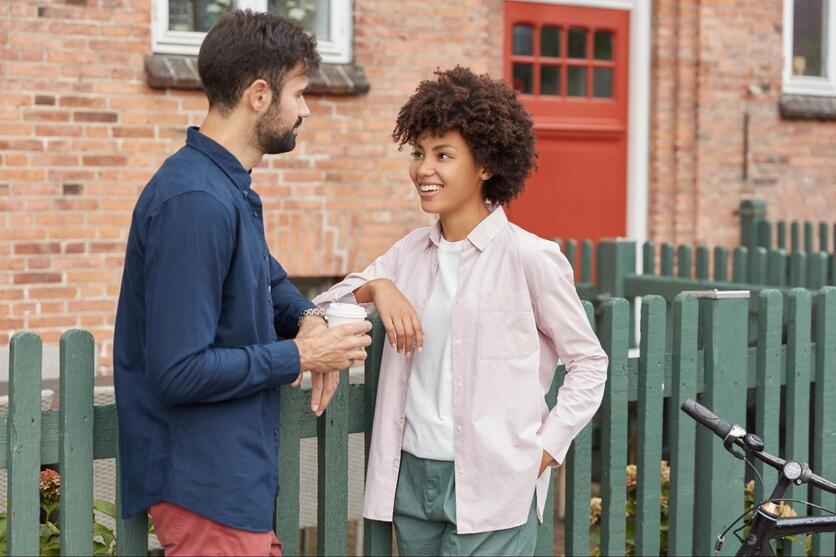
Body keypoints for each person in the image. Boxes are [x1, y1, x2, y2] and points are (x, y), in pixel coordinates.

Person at [313, 67, 609, 556]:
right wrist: (378, 288)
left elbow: (589, 362)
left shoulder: (530, 258)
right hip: (411, 478)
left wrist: (544, 450)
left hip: (494, 482)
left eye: (444, 155)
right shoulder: (406, 254)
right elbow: (328, 306)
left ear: (486, 165)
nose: (423, 169)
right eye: (419, 153)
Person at [113, 10, 371, 556]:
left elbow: (271, 279)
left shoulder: (224, 188)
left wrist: (309, 319)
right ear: (259, 95)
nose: (304, 109)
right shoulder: (197, 202)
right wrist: (300, 356)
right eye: (299, 92)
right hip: (206, 490)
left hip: (233, 489)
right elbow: (178, 370)